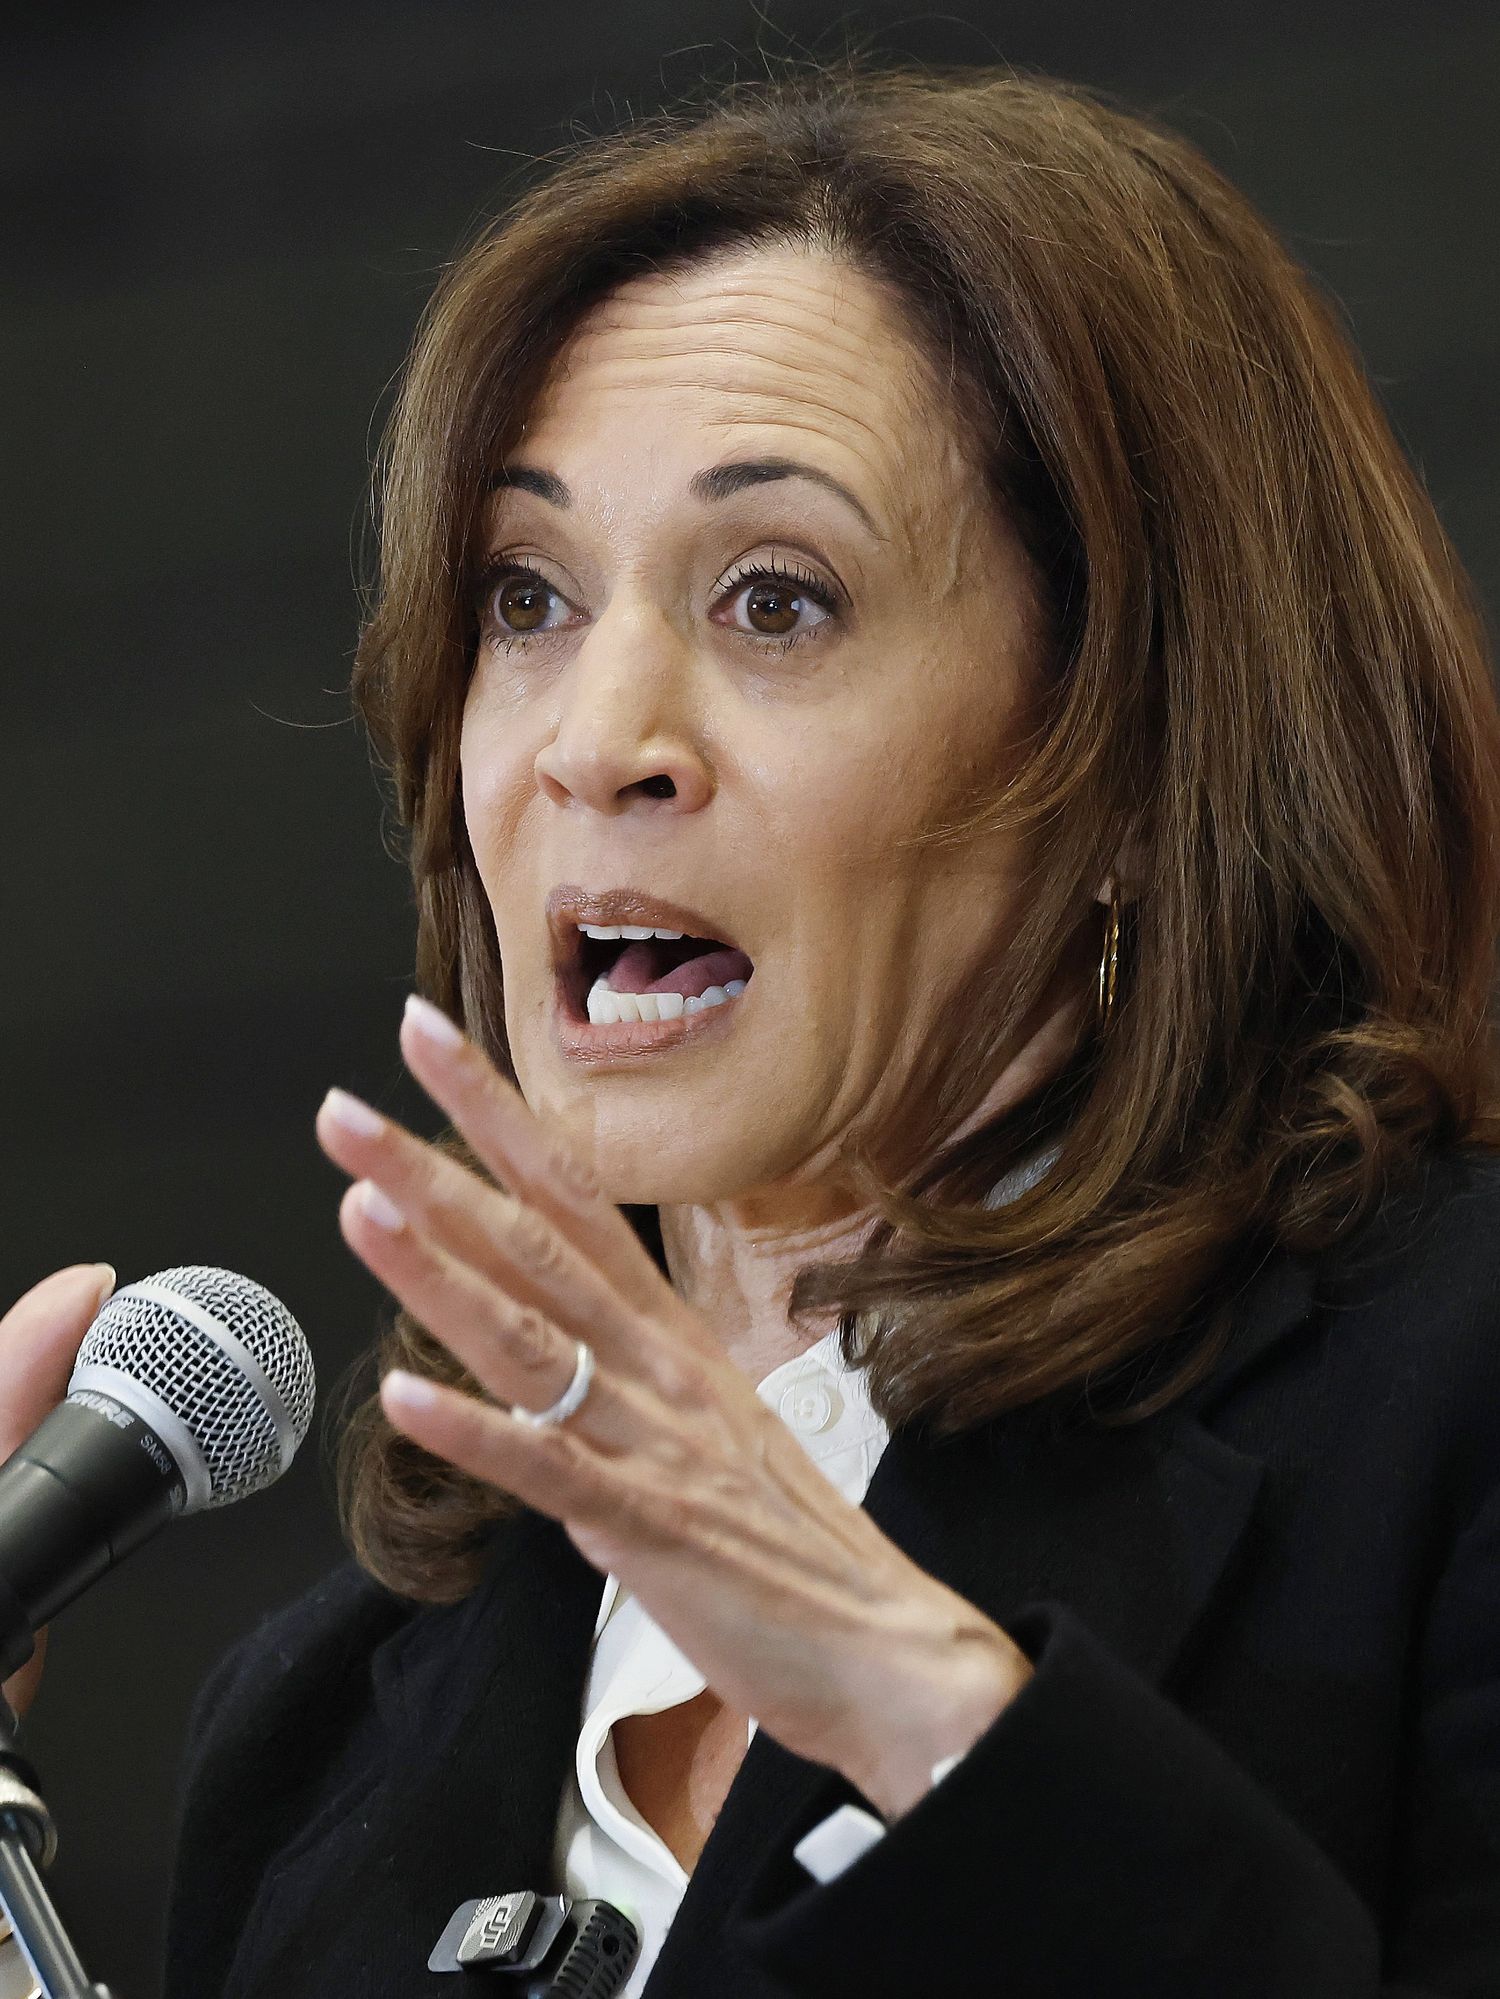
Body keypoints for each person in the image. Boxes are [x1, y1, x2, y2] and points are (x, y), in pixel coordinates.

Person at [10, 58, 1500, 1997]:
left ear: (1132, 765)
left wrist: (910, 1696)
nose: (595, 738)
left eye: (777, 600)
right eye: (525, 597)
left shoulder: (1445, 1415)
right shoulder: (323, 1730)